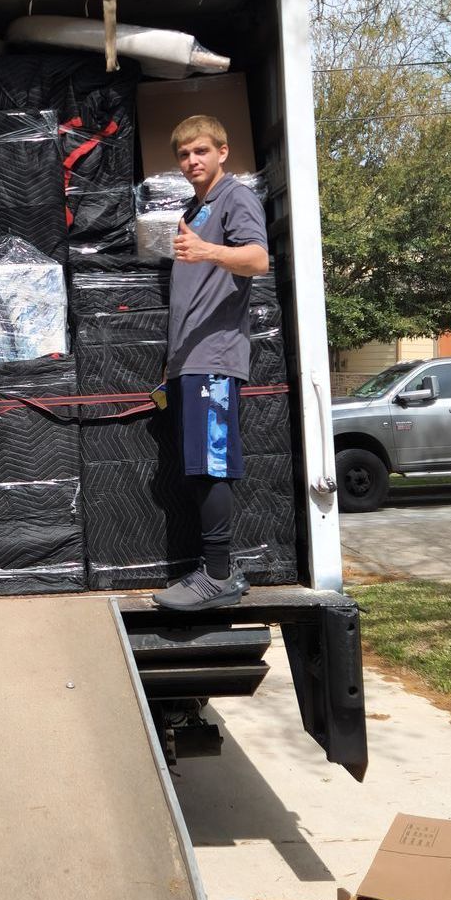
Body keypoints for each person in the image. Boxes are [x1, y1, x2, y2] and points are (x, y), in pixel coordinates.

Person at [154, 114, 270, 611]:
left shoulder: (235, 197)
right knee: (198, 467)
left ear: (222, 151)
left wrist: (207, 251)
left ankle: (218, 574)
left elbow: (258, 260)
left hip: (216, 356)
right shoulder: (196, 208)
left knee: (211, 464)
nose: (191, 161)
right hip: (190, 358)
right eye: (183, 155)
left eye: (200, 151)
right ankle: (216, 570)